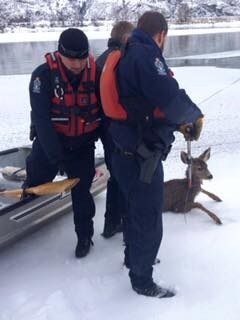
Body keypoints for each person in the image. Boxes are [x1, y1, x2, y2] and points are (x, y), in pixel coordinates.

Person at [100, 11, 204, 298]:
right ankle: (142, 280)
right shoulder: (147, 56)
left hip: (125, 151)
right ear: (161, 35)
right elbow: (169, 98)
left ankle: (135, 258)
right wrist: (193, 117)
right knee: (148, 218)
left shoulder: (130, 52)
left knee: (135, 210)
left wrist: (176, 121)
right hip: (140, 157)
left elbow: (145, 106)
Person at [24, 28, 101, 258]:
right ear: (59, 54)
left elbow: (105, 116)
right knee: (36, 176)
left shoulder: (96, 75)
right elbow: (42, 121)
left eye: (82, 58)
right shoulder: (42, 77)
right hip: (51, 142)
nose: (78, 64)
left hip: (82, 145)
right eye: (72, 59)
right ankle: (27, 203)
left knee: (81, 193)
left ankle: (85, 236)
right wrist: (57, 159)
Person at [96, 21, 134, 239]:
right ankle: (127, 230)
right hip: (118, 129)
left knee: (116, 176)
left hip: (104, 128)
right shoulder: (121, 59)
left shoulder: (101, 59)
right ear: (127, 38)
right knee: (125, 178)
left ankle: (111, 223)